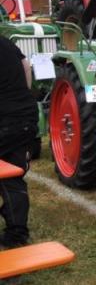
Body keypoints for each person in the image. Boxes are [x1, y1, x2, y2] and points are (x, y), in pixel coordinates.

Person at [0, 35, 37, 248]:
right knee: (12, 176)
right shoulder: (6, 42)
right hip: (25, 115)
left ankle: (16, 235)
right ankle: (16, 234)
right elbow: (26, 66)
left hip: (8, 120)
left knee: (9, 177)